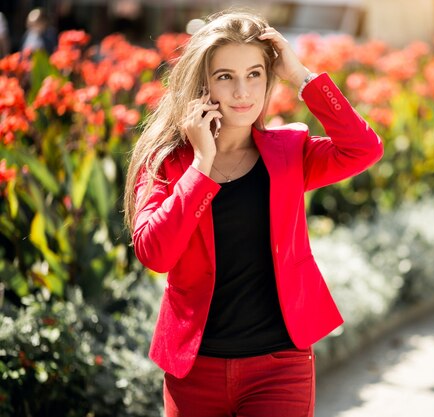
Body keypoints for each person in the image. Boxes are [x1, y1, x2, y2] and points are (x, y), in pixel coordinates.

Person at [123, 9, 383, 417]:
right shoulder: (166, 164)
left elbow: (363, 149)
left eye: (255, 74)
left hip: (279, 367)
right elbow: (155, 254)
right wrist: (200, 166)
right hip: (195, 373)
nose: (243, 91)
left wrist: (301, 76)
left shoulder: (289, 152)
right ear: (202, 83)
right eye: (225, 76)